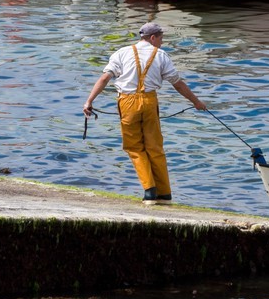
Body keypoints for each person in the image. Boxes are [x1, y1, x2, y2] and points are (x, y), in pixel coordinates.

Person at [83, 22, 205, 202]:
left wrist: (89, 101)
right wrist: (196, 102)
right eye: (161, 38)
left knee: (134, 147)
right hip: (149, 100)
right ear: (153, 37)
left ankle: (149, 191)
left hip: (127, 101)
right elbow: (177, 83)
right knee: (155, 146)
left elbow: (104, 78)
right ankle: (164, 193)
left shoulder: (122, 53)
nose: (162, 43)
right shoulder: (161, 55)